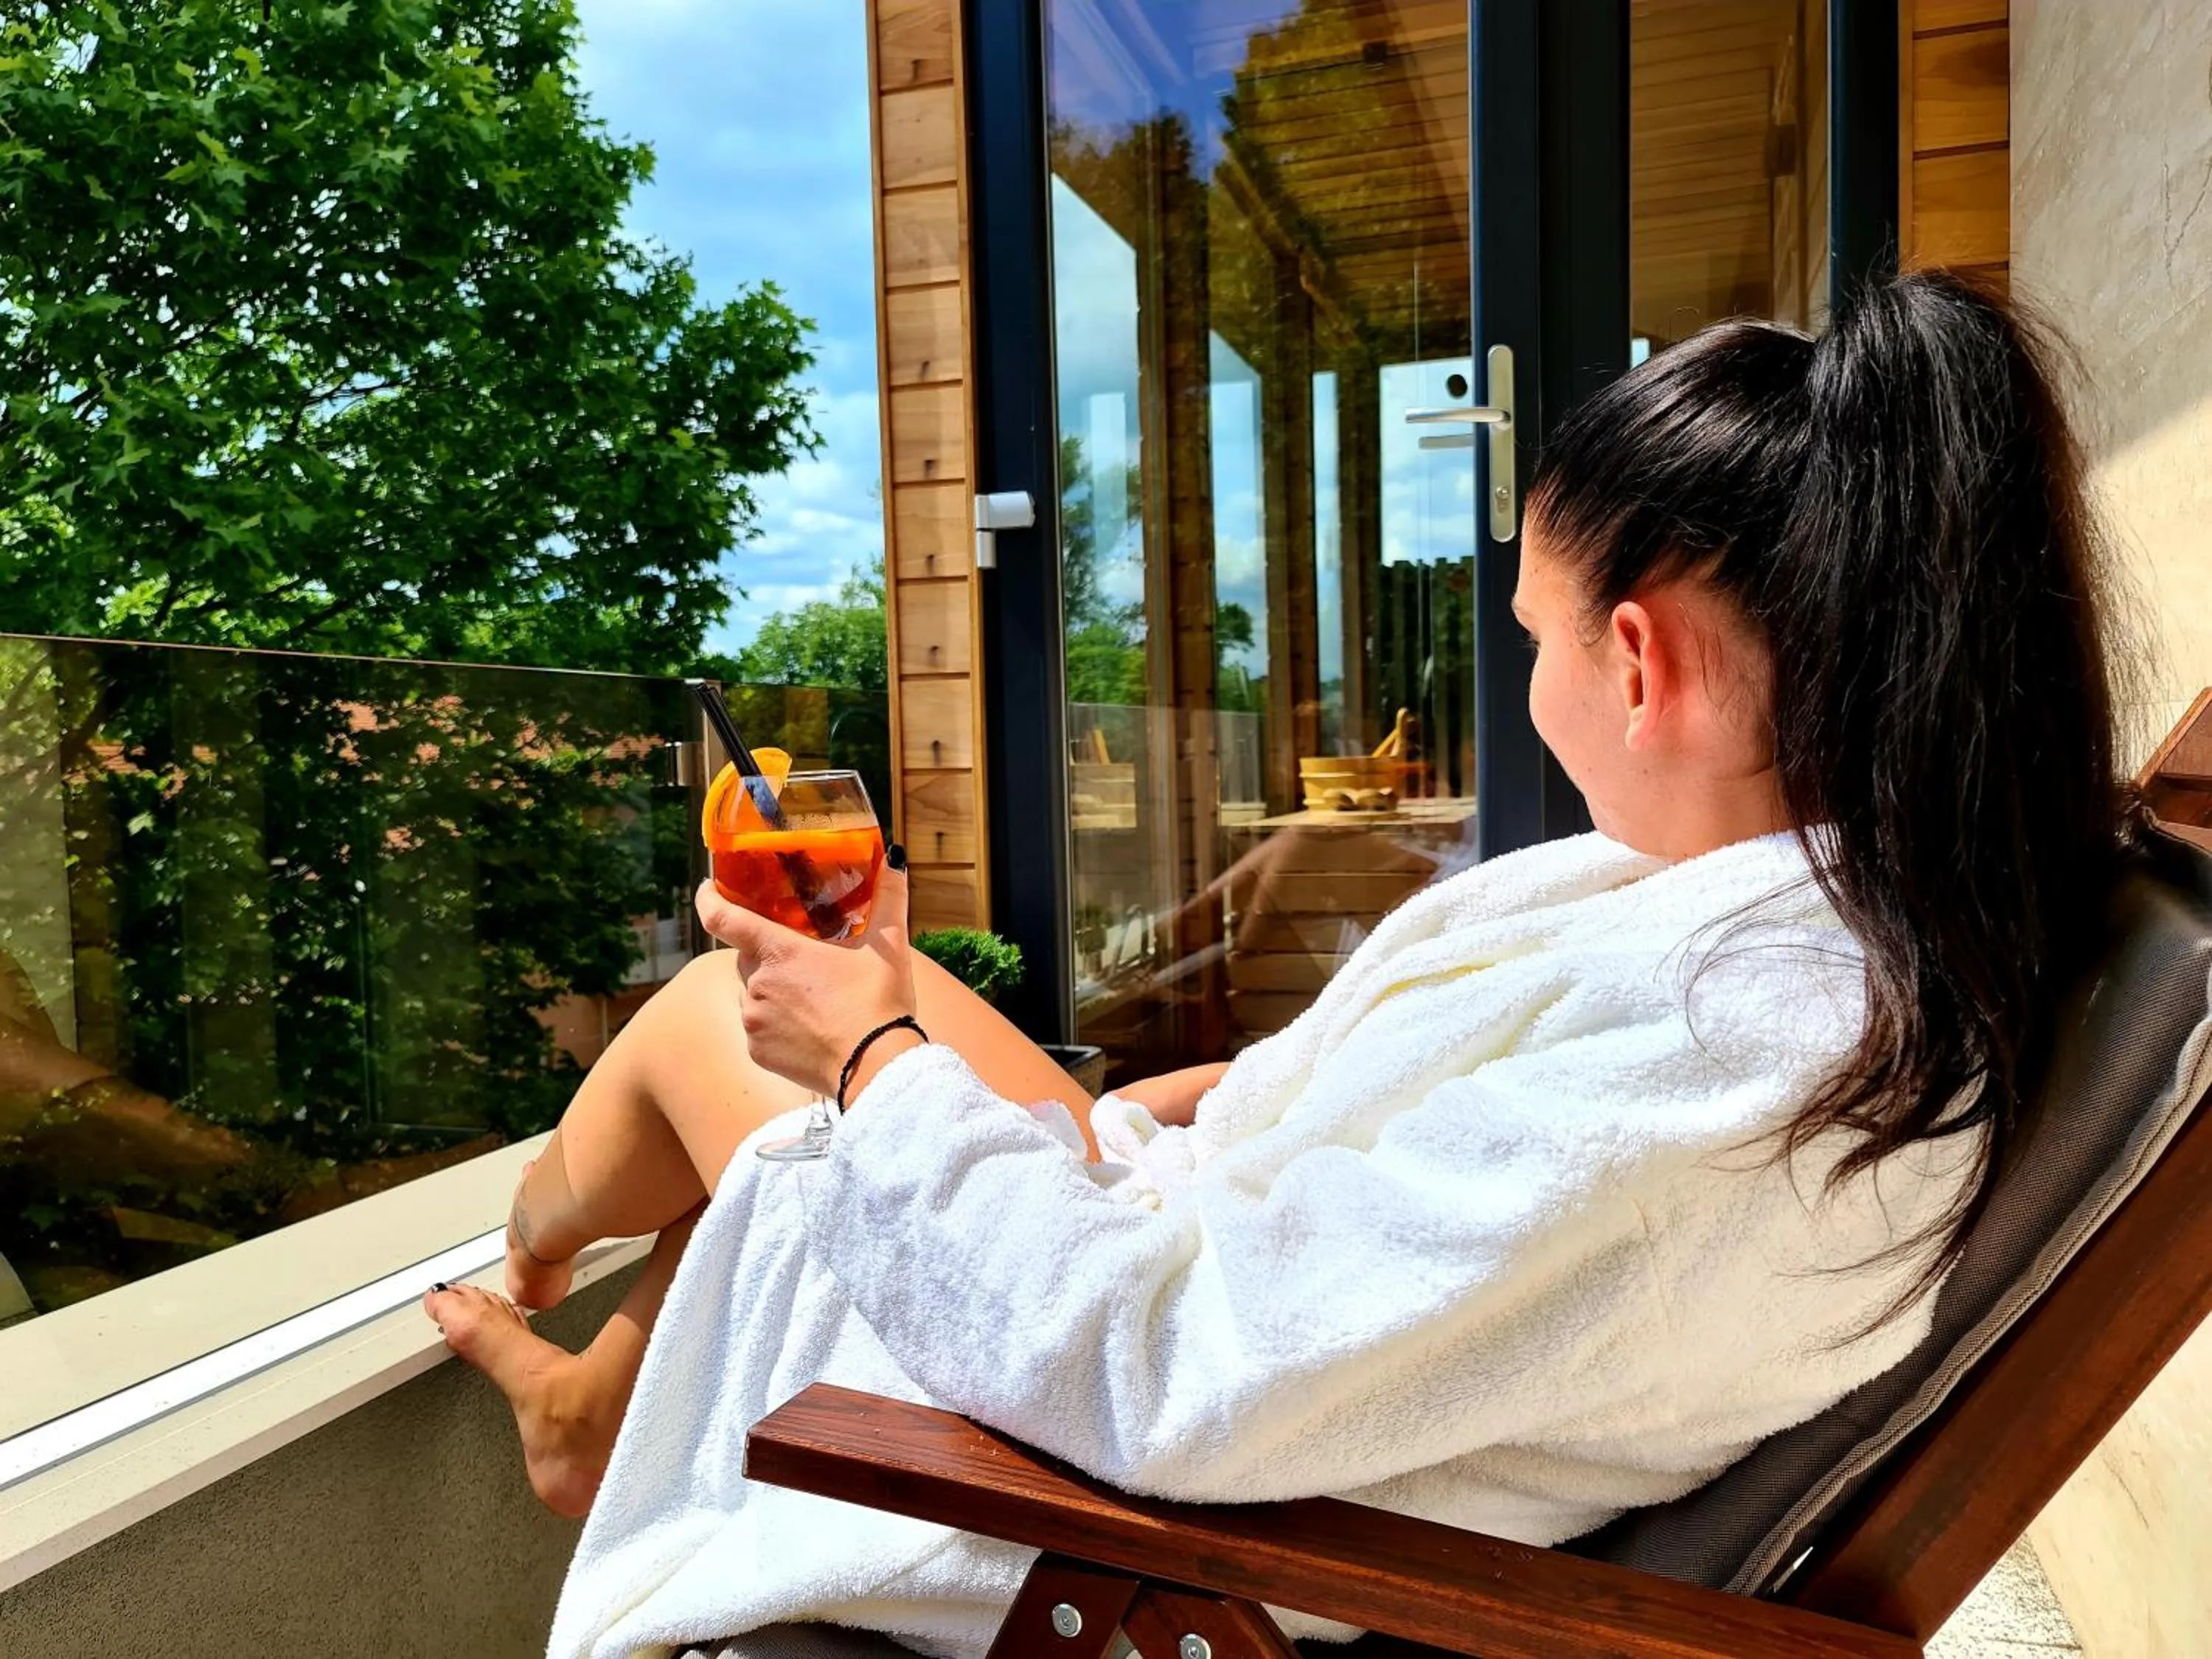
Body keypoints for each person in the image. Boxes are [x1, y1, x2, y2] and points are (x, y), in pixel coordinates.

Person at [422, 272, 2133, 1658]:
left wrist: (877, 1067)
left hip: (1125, 1482)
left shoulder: (1740, 1045)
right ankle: (581, 1376)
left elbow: (1174, 1381)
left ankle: (535, 1259)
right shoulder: (1831, 942)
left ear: (1638, 665)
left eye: (1525, 635)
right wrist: (1236, 1090)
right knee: (802, 1031)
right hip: (1207, 1301)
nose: (1521, 677)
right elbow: (1486, 1193)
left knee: (727, 1026)